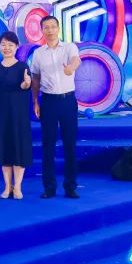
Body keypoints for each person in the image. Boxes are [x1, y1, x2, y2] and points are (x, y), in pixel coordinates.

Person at [30, 14, 82, 199]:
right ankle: (49, 187)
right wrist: (35, 101)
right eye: (46, 27)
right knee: (48, 146)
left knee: (70, 144)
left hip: (68, 101)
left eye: (53, 27)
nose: (50, 30)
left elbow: (76, 60)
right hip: (48, 102)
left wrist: (71, 68)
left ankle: (70, 187)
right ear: (42, 30)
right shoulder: (38, 53)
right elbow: (35, 78)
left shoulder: (69, 47)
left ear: (58, 28)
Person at [0, 31, 33, 200]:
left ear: (17, 47)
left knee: (18, 149)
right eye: (3, 44)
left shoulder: (23, 67)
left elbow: (26, 86)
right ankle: (7, 186)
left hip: (18, 116)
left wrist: (26, 83)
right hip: (0, 116)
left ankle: (18, 186)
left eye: (10, 45)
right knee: (3, 149)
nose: (6, 48)